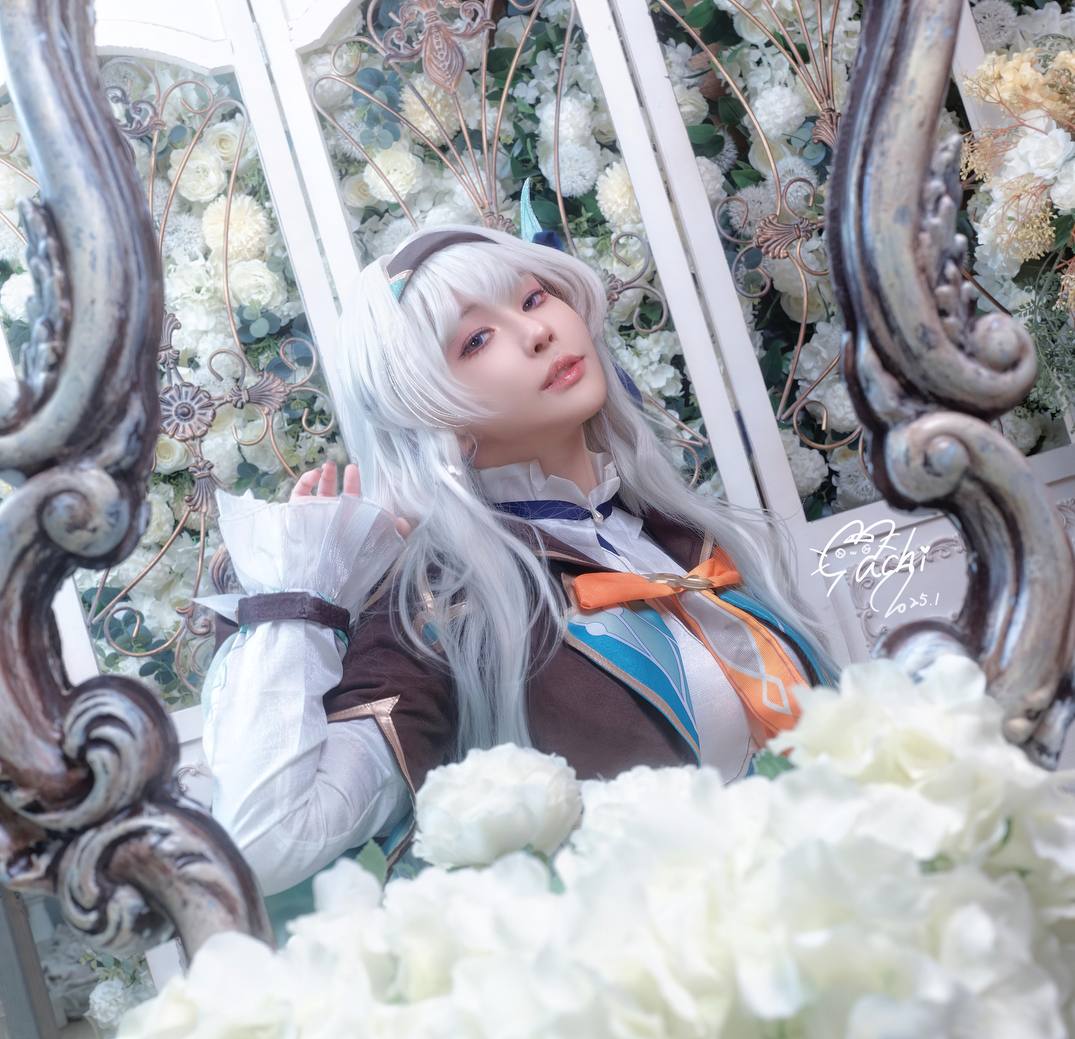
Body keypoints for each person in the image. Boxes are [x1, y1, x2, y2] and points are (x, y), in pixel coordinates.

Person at [199, 217, 841, 923]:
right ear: (430, 412)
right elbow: (265, 841)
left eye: (533, 298)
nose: (537, 332)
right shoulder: (439, 612)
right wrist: (298, 598)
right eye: (475, 340)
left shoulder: (674, 534)